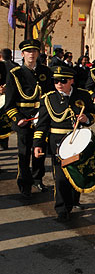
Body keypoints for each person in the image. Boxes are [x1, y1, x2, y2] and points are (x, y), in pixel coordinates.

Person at [33, 66, 95, 221]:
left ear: (71, 81)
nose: (59, 84)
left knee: (76, 173)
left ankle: (74, 200)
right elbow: (41, 125)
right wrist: (37, 144)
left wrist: (86, 118)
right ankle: (62, 209)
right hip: (58, 143)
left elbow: (94, 115)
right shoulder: (48, 99)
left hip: (77, 141)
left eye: (63, 81)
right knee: (61, 177)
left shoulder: (82, 95)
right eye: (56, 81)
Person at [4, 39, 53, 197]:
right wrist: (17, 117)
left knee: (40, 150)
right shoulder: (15, 74)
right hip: (24, 119)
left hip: (42, 117)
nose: (31, 54)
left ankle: (38, 179)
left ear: (38, 53)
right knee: (24, 153)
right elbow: (9, 104)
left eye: (34, 51)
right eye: (28, 51)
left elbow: (50, 96)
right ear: (23, 54)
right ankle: (24, 183)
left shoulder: (46, 72)